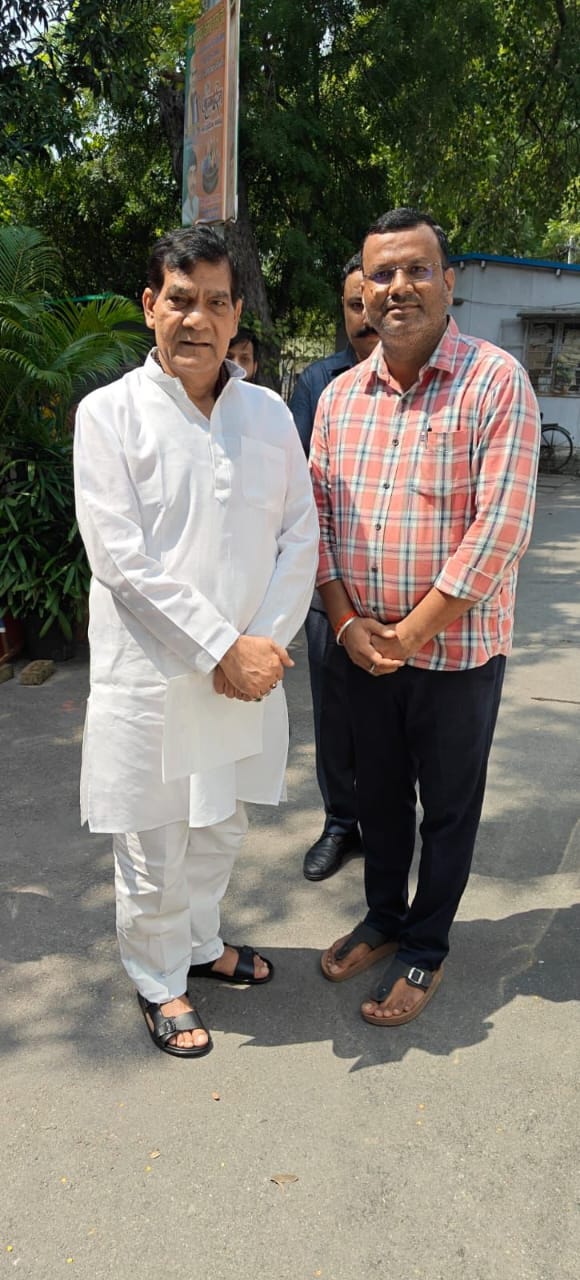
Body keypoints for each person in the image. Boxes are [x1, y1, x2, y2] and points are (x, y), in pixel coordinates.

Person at [74, 225, 318, 1058]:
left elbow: (300, 535)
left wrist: (261, 647)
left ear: (236, 314)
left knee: (222, 823)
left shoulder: (269, 415)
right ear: (150, 307)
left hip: (245, 674)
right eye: (180, 299)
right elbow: (120, 559)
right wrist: (222, 648)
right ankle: (158, 978)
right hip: (156, 677)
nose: (197, 319)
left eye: (216, 302)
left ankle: (201, 942)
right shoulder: (109, 416)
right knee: (154, 839)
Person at [310, 208, 540, 1026]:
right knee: (376, 799)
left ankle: (425, 945)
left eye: (416, 269)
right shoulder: (339, 399)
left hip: (456, 655)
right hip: (364, 651)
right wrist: (348, 626)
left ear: (449, 281)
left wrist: (409, 634)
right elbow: (316, 526)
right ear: (363, 291)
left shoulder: (495, 381)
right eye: (382, 274)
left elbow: (501, 528)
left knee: (446, 809)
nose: (398, 287)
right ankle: (383, 917)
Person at [289, 254, 378, 881]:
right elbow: (298, 489)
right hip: (330, 590)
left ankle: (390, 820)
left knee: (402, 720)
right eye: (353, 305)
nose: (366, 316)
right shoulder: (320, 384)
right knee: (336, 717)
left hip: (407, 594)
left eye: (372, 301)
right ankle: (341, 823)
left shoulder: (437, 384)